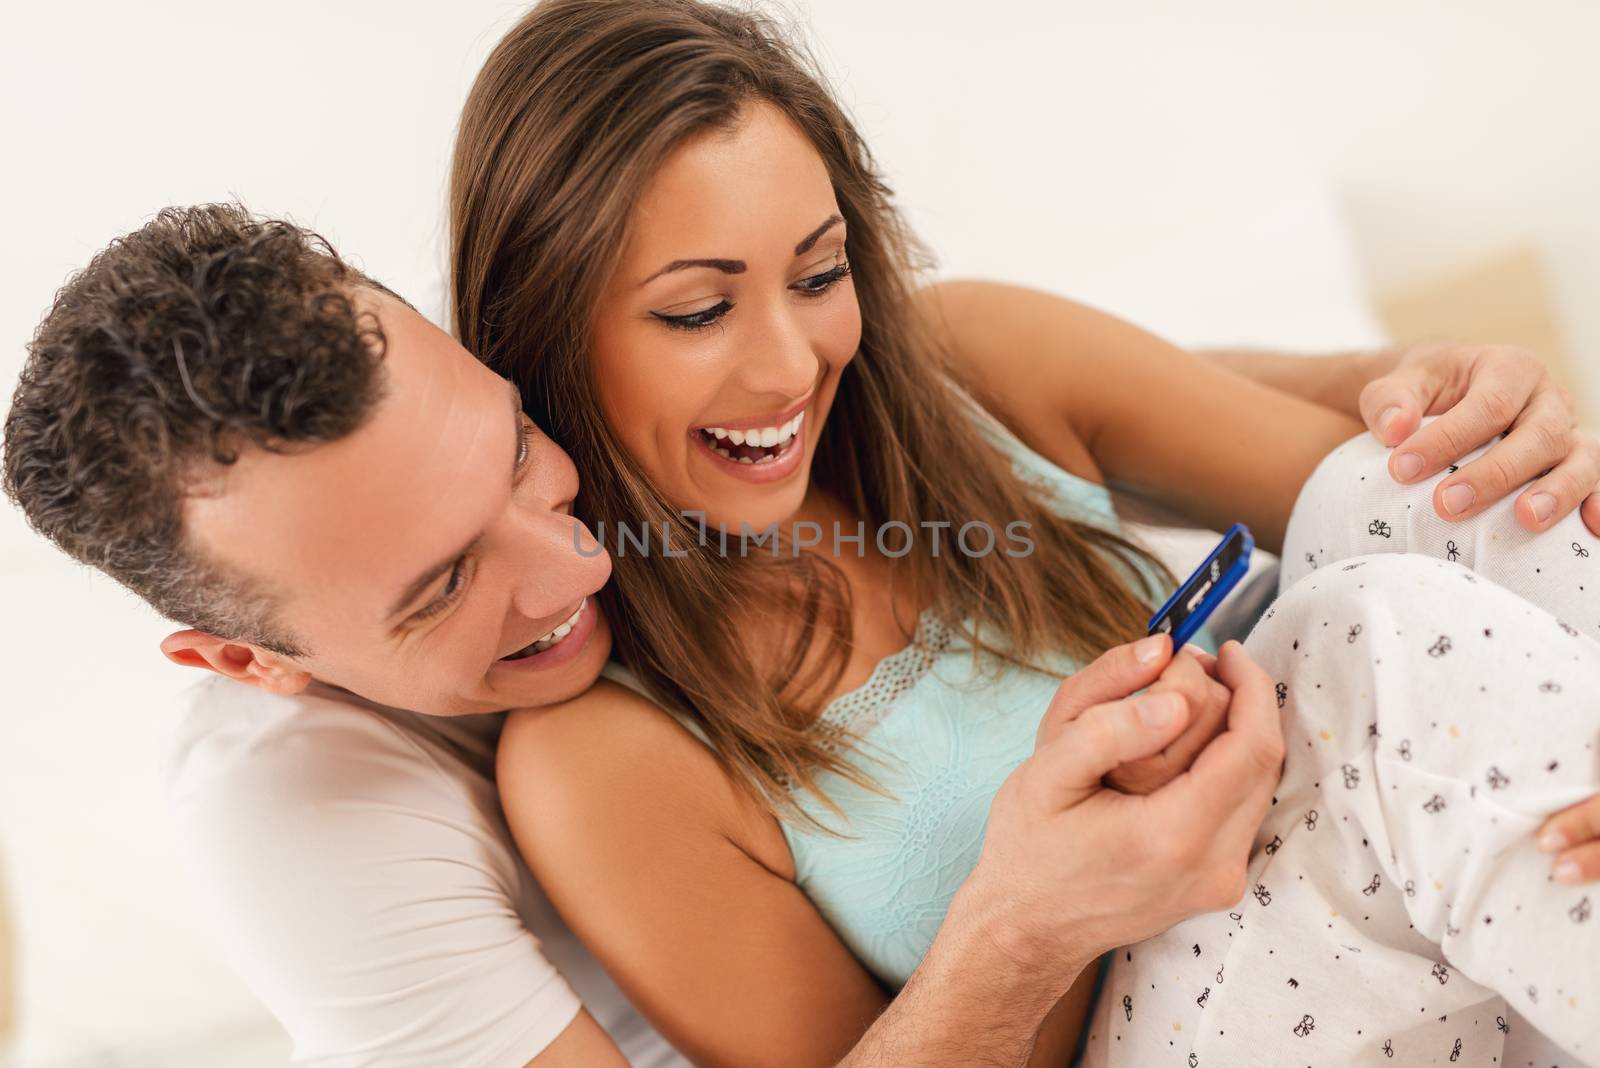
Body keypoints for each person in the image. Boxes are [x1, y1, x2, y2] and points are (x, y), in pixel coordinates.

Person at [0, 204, 1491, 1068]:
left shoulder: (525, 386)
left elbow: (997, 413)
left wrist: (1409, 387)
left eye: (517, 452)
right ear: (249, 660)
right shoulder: (301, 831)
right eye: (442, 586)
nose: (571, 558)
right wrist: (1021, 924)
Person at [444, 1, 1600, 1064]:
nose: (791, 367)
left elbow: (1400, 491)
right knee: (1362, 637)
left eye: (818, 274)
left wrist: (1463, 413)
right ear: (542, 329)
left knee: (1449, 498)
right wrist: (1053, 905)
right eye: (698, 310)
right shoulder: (599, 759)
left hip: (1454, 903)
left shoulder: (966, 364)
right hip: (1204, 1024)